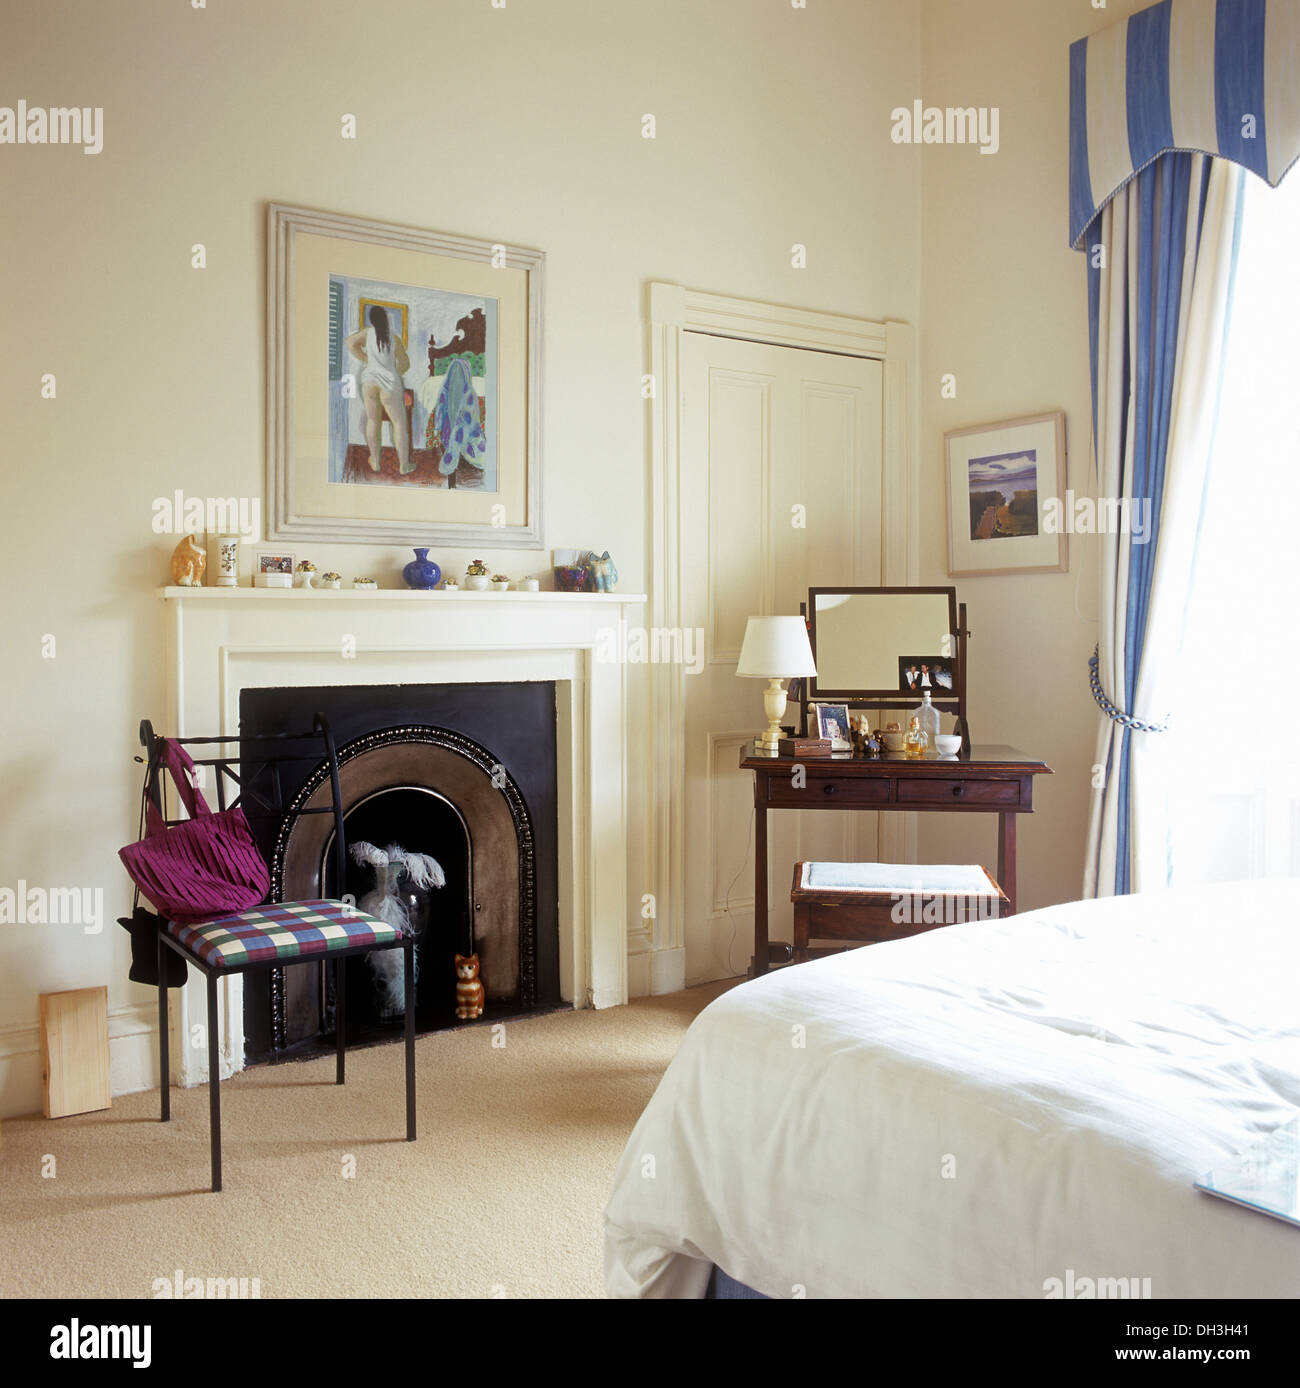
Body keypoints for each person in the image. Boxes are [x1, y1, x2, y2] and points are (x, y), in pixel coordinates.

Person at [346, 306, 411, 474]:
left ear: (372, 320)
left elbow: (350, 343)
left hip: (369, 381)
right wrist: (396, 372)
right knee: (399, 424)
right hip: (389, 384)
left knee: (373, 421)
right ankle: (404, 465)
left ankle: (375, 461)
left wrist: (366, 359)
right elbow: (405, 363)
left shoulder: (367, 333)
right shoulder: (394, 338)